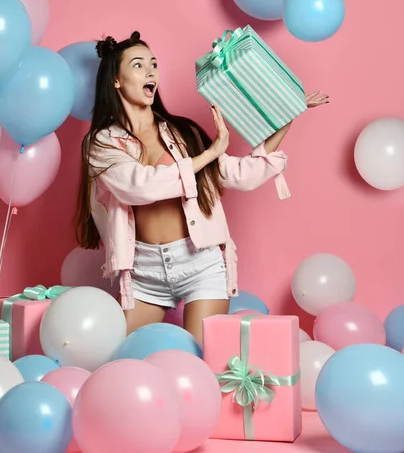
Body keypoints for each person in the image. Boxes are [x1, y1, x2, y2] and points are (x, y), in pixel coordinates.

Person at [75, 31, 328, 343]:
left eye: (153, 64)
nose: (151, 70)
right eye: (139, 65)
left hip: (200, 264)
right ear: (116, 80)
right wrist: (209, 154)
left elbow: (240, 175)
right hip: (143, 271)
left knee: (198, 360)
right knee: (117, 354)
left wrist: (287, 118)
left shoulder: (184, 132)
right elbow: (138, 187)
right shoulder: (102, 142)